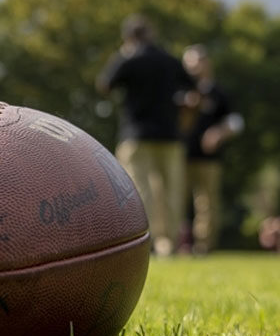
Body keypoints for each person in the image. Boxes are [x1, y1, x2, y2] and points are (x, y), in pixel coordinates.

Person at [98, 15, 193, 257]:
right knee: (171, 191)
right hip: (170, 135)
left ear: (128, 37)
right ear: (151, 34)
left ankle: (143, 242)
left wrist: (122, 54)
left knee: (140, 190)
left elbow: (105, 84)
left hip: (136, 134)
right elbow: (193, 90)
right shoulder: (170, 60)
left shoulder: (128, 59)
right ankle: (169, 244)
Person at [180, 45, 242, 257]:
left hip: (209, 159)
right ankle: (177, 244)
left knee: (207, 204)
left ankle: (203, 247)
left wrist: (219, 132)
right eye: (187, 63)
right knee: (176, 201)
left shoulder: (219, 92)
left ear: (206, 63)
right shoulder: (182, 91)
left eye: (195, 62)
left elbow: (236, 121)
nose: (191, 67)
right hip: (181, 156)